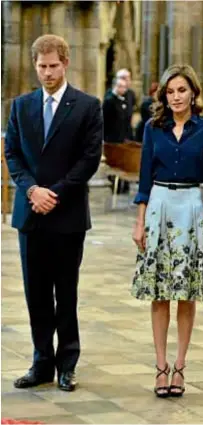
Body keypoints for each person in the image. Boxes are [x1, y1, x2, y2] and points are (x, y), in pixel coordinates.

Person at [5, 34, 103, 392]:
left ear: (66, 63)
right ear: (35, 65)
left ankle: (68, 364)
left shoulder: (87, 106)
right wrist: (31, 189)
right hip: (30, 213)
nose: (47, 73)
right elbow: (12, 153)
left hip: (67, 214)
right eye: (41, 67)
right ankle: (41, 361)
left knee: (66, 291)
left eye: (53, 66)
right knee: (36, 293)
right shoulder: (21, 106)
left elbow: (89, 159)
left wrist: (54, 193)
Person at [131, 64, 203, 398]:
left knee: (185, 292)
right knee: (159, 292)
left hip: (191, 208)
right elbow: (143, 179)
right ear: (163, 95)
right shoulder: (153, 128)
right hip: (158, 205)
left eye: (182, 90)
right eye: (170, 92)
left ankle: (180, 366)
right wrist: (139, 222)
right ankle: (160, 366)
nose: (176, 97)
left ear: (193, 92)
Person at [103, 77, 130, 143]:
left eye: (125, 87)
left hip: (121, 138)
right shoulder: (109, 100)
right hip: (111, 138)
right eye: (121, 86)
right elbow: (104, 119)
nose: (124, 89)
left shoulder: (123, 99)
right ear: (116, 86)